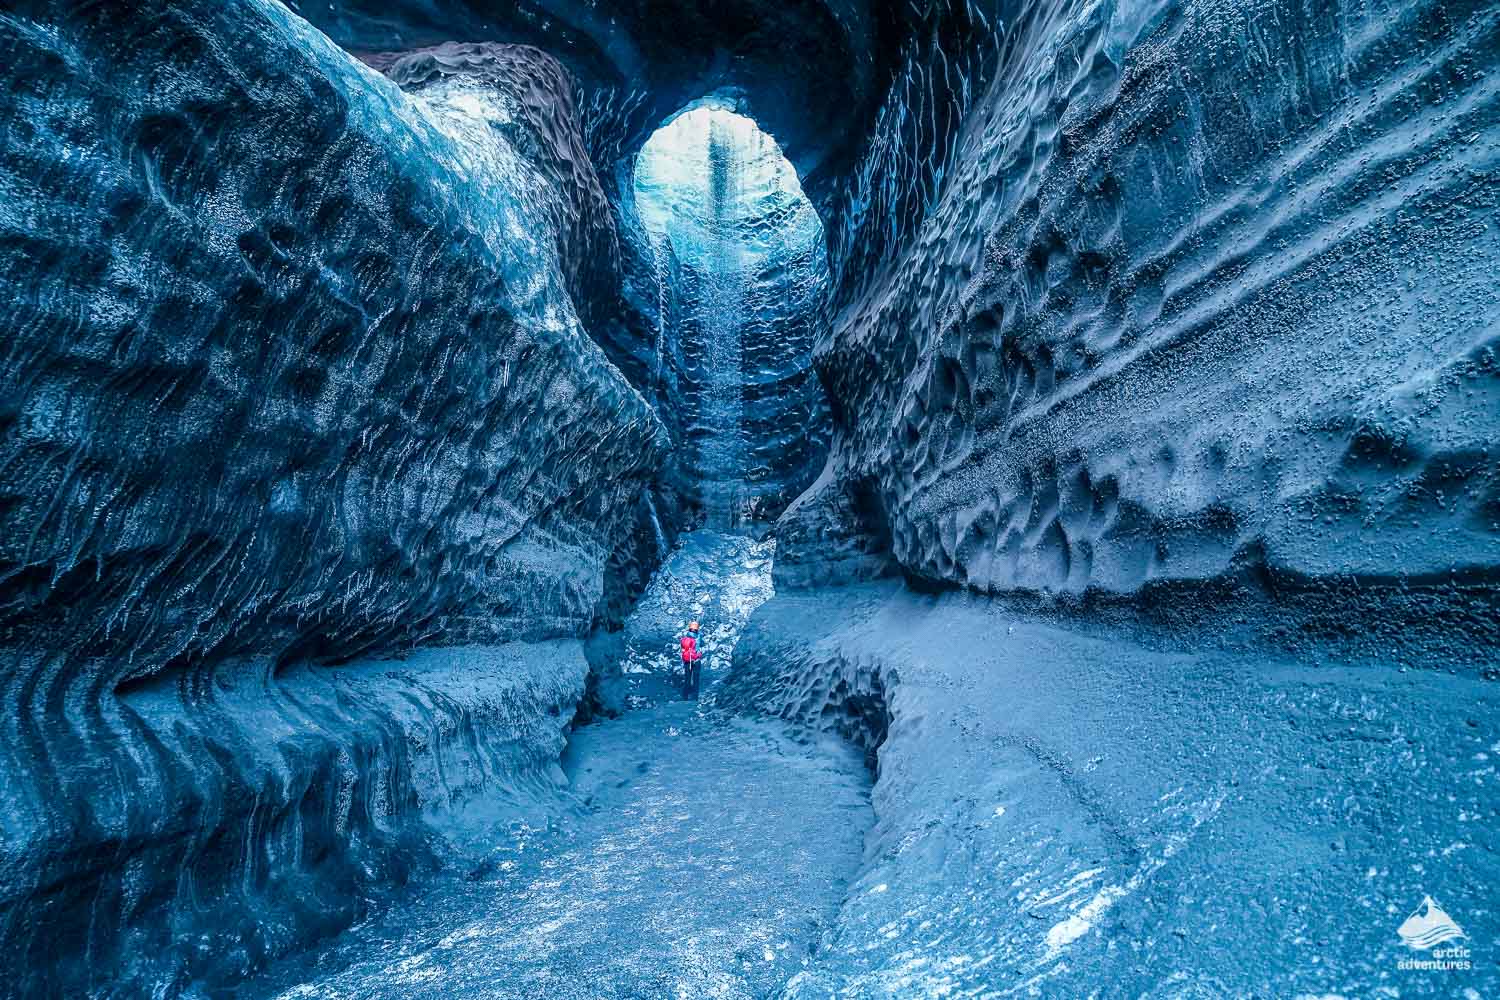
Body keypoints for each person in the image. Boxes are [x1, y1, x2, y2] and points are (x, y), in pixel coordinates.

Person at [679, 620, 703, 697]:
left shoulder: (685, 637)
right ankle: (695, 697)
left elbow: (683, 648)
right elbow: (702, 644)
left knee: (687, 679)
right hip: (696, 660)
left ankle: (685, 696)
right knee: (696, 679)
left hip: (687, 661)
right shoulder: (698, 637)